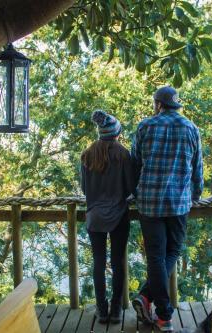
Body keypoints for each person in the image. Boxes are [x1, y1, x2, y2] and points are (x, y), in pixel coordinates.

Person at [131, 86, 203, 332]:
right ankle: (164, 315)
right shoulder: (191, 128)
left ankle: (149, 300)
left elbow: (135, 163)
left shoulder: (145, 126)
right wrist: (196, 194)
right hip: (178, 203)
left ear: (158, 104)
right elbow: (197, 168)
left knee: (156, 256)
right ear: (174, 105)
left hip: (149, 203)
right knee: (173, 251)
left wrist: (135, 193)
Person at [80, 110, 135, 324]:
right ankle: (116, 311)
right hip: (119, 215)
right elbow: (131, 187)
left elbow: (85, 189)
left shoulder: (87, 155)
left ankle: (101, 310)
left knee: (99, 262)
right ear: (117, 133)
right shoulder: (123, 154)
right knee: (118, 262)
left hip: (95, 216)